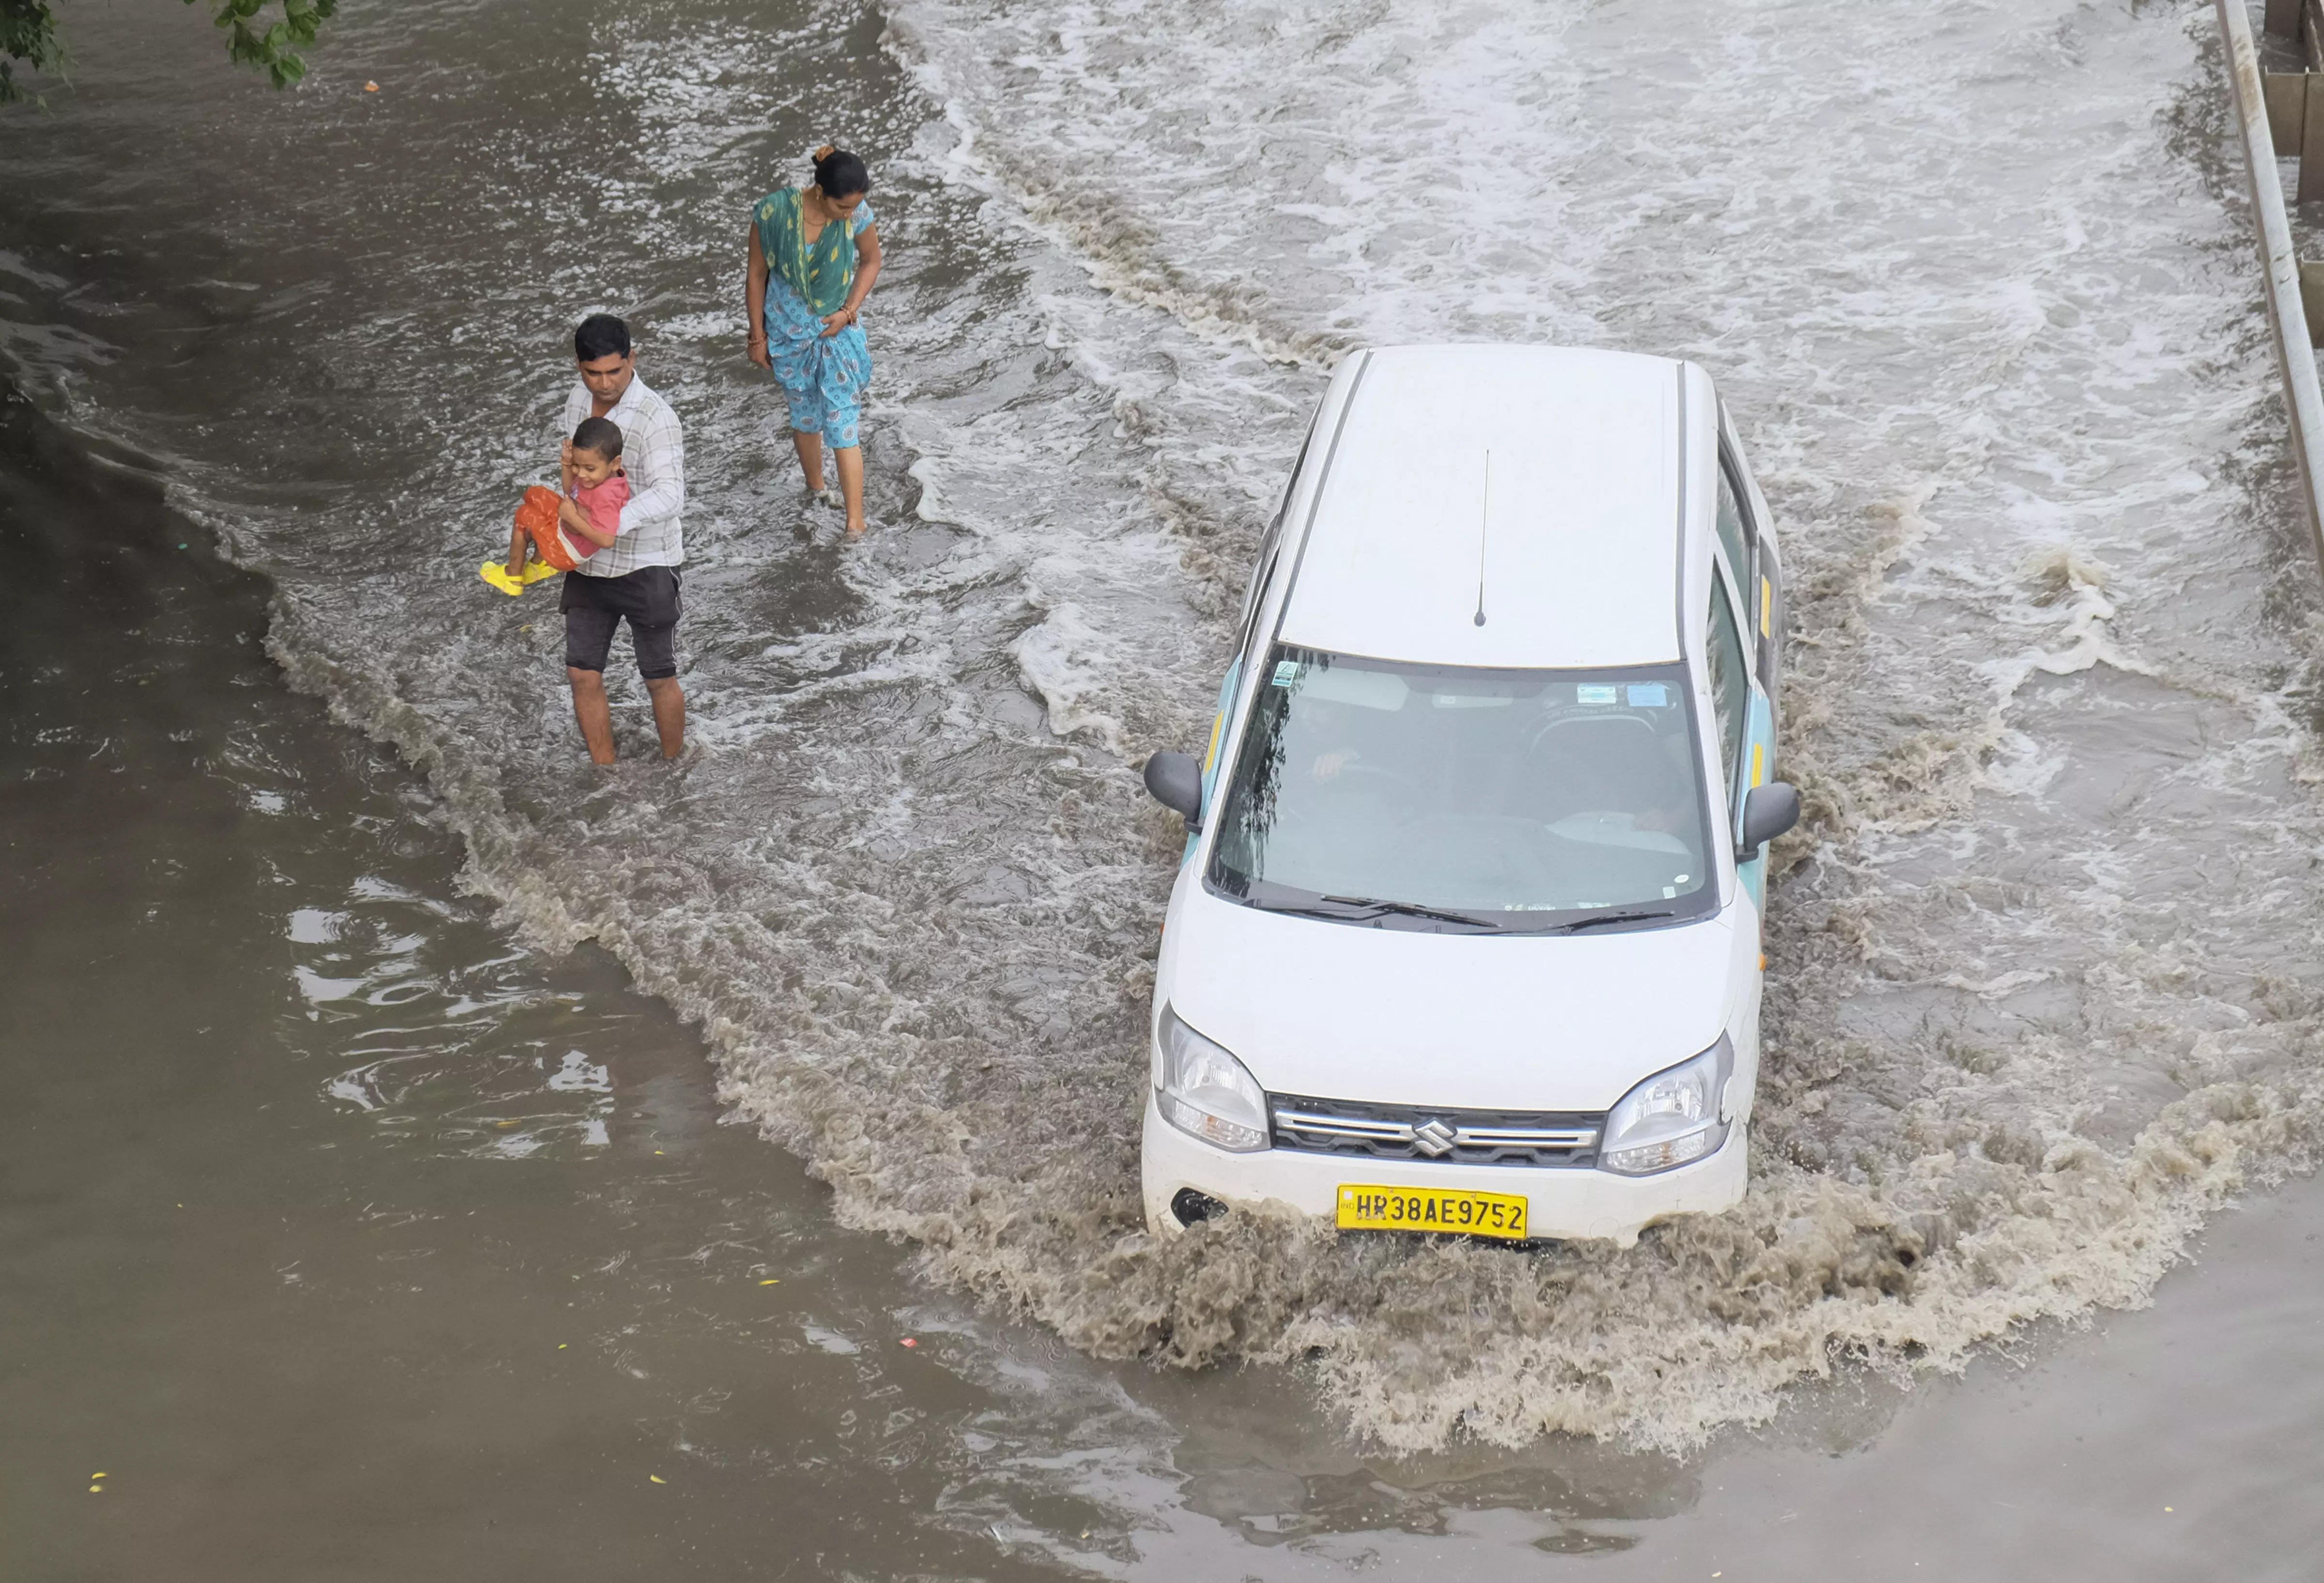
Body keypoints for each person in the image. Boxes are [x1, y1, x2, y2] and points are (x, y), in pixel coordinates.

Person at [555, 313, 687, 763]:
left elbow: (671, 495)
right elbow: (574, 472)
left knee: (658, 676)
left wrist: (606, 523)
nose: (605, 383)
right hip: (589, 565)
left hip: (647, 563)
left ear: (633, 359)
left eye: (615, 371)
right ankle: (605, 775)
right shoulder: (577, 400)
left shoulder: (657, 418)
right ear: (579, 366)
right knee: (581, 673)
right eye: (594, 373)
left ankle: (675, 767)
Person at [746, 144, 883, 536]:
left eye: (855, 207)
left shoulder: (857, 213)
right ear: (820, 193)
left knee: (842, 422)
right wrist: (757, 337)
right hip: (788, 335)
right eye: (843, 208)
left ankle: (855, 522)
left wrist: (849, 311)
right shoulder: (774, 214)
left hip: (834, 332)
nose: (850, 215)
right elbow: (756, 275)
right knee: (805, 417)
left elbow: (872, 260)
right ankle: (817, 491)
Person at [482, 416, 629, 594]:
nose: (581, 475)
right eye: (577, 465)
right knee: (536, 494)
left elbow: (607, 540)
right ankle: (539, 562)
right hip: (567, 528)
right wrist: (567, 465)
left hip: (567, 551)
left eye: (589, 469)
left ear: (615, 463)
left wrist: (572, 518)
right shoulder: (603, 477)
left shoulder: (606, 495)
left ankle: (513, 577)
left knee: (525, 515)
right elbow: (571, 492)